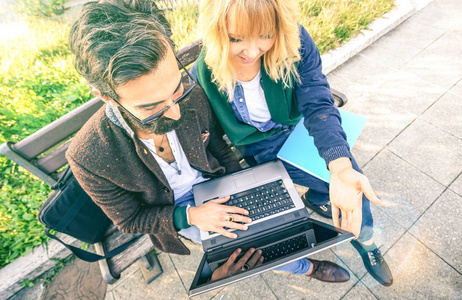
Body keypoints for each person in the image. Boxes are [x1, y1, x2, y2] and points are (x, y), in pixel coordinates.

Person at [66, 0, 349, 283]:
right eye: (152, 108)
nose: (177, 112)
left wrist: (245, 186)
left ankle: (297, 257)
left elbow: (220, 150)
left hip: (221, 185)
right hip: (176, 210)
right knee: (245, 251)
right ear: (106, 96)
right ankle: (308, 268)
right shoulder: (88, 157)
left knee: (271, 229)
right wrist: (190, 216)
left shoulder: (192, 96)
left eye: (176, 90)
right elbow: (130, 221)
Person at [192, 0, 393, 287]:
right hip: (260, 146)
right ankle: (322, 197)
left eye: (265, 36)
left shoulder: (294, 41)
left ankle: (367, 242)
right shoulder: (205, 69)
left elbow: (317, 102)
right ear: (216, 30)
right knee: (323, 187)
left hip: (297, 126)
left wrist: (339, 165)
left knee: (352, 187)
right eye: (236, 39)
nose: (251, 52)